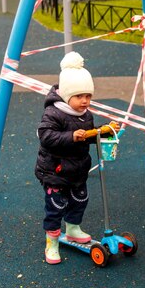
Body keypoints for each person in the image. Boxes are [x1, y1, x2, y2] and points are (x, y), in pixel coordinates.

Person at [35, 51, 97, 264]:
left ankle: (72, 228)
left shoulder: (86, 115)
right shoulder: (54, 113)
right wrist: (71, 136)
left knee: (80, 199)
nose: (85, 101)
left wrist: (103, 132)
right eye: (79, 96)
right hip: (55, 170)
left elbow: (87, 137)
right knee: (56, 205)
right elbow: (46, 136)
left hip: (78, 169)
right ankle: (51, 242)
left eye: (88, 96)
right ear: (67, 95)